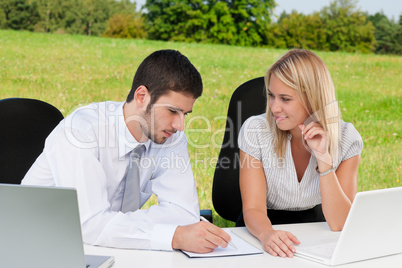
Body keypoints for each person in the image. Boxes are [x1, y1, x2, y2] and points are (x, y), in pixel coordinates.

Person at [22, 49, 231, 253]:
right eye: (172, 111)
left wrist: (115, 227)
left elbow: (184, 214)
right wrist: (173, 236)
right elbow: (89, 224)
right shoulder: (81, 132)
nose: (180, 125)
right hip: (37, 244)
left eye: (185, 113)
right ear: (141, 96)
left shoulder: (170, 137)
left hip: (110, 248)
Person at [237, 49, 363, 258]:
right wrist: (267, 234)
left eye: (285, 99)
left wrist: (324, 160)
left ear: (313, 98)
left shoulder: (347, 138)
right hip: (260, 230)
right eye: (271, 96)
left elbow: (340, 223)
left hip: (314, 232)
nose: (275, 107)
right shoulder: (255, 130)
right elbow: (253, 208)